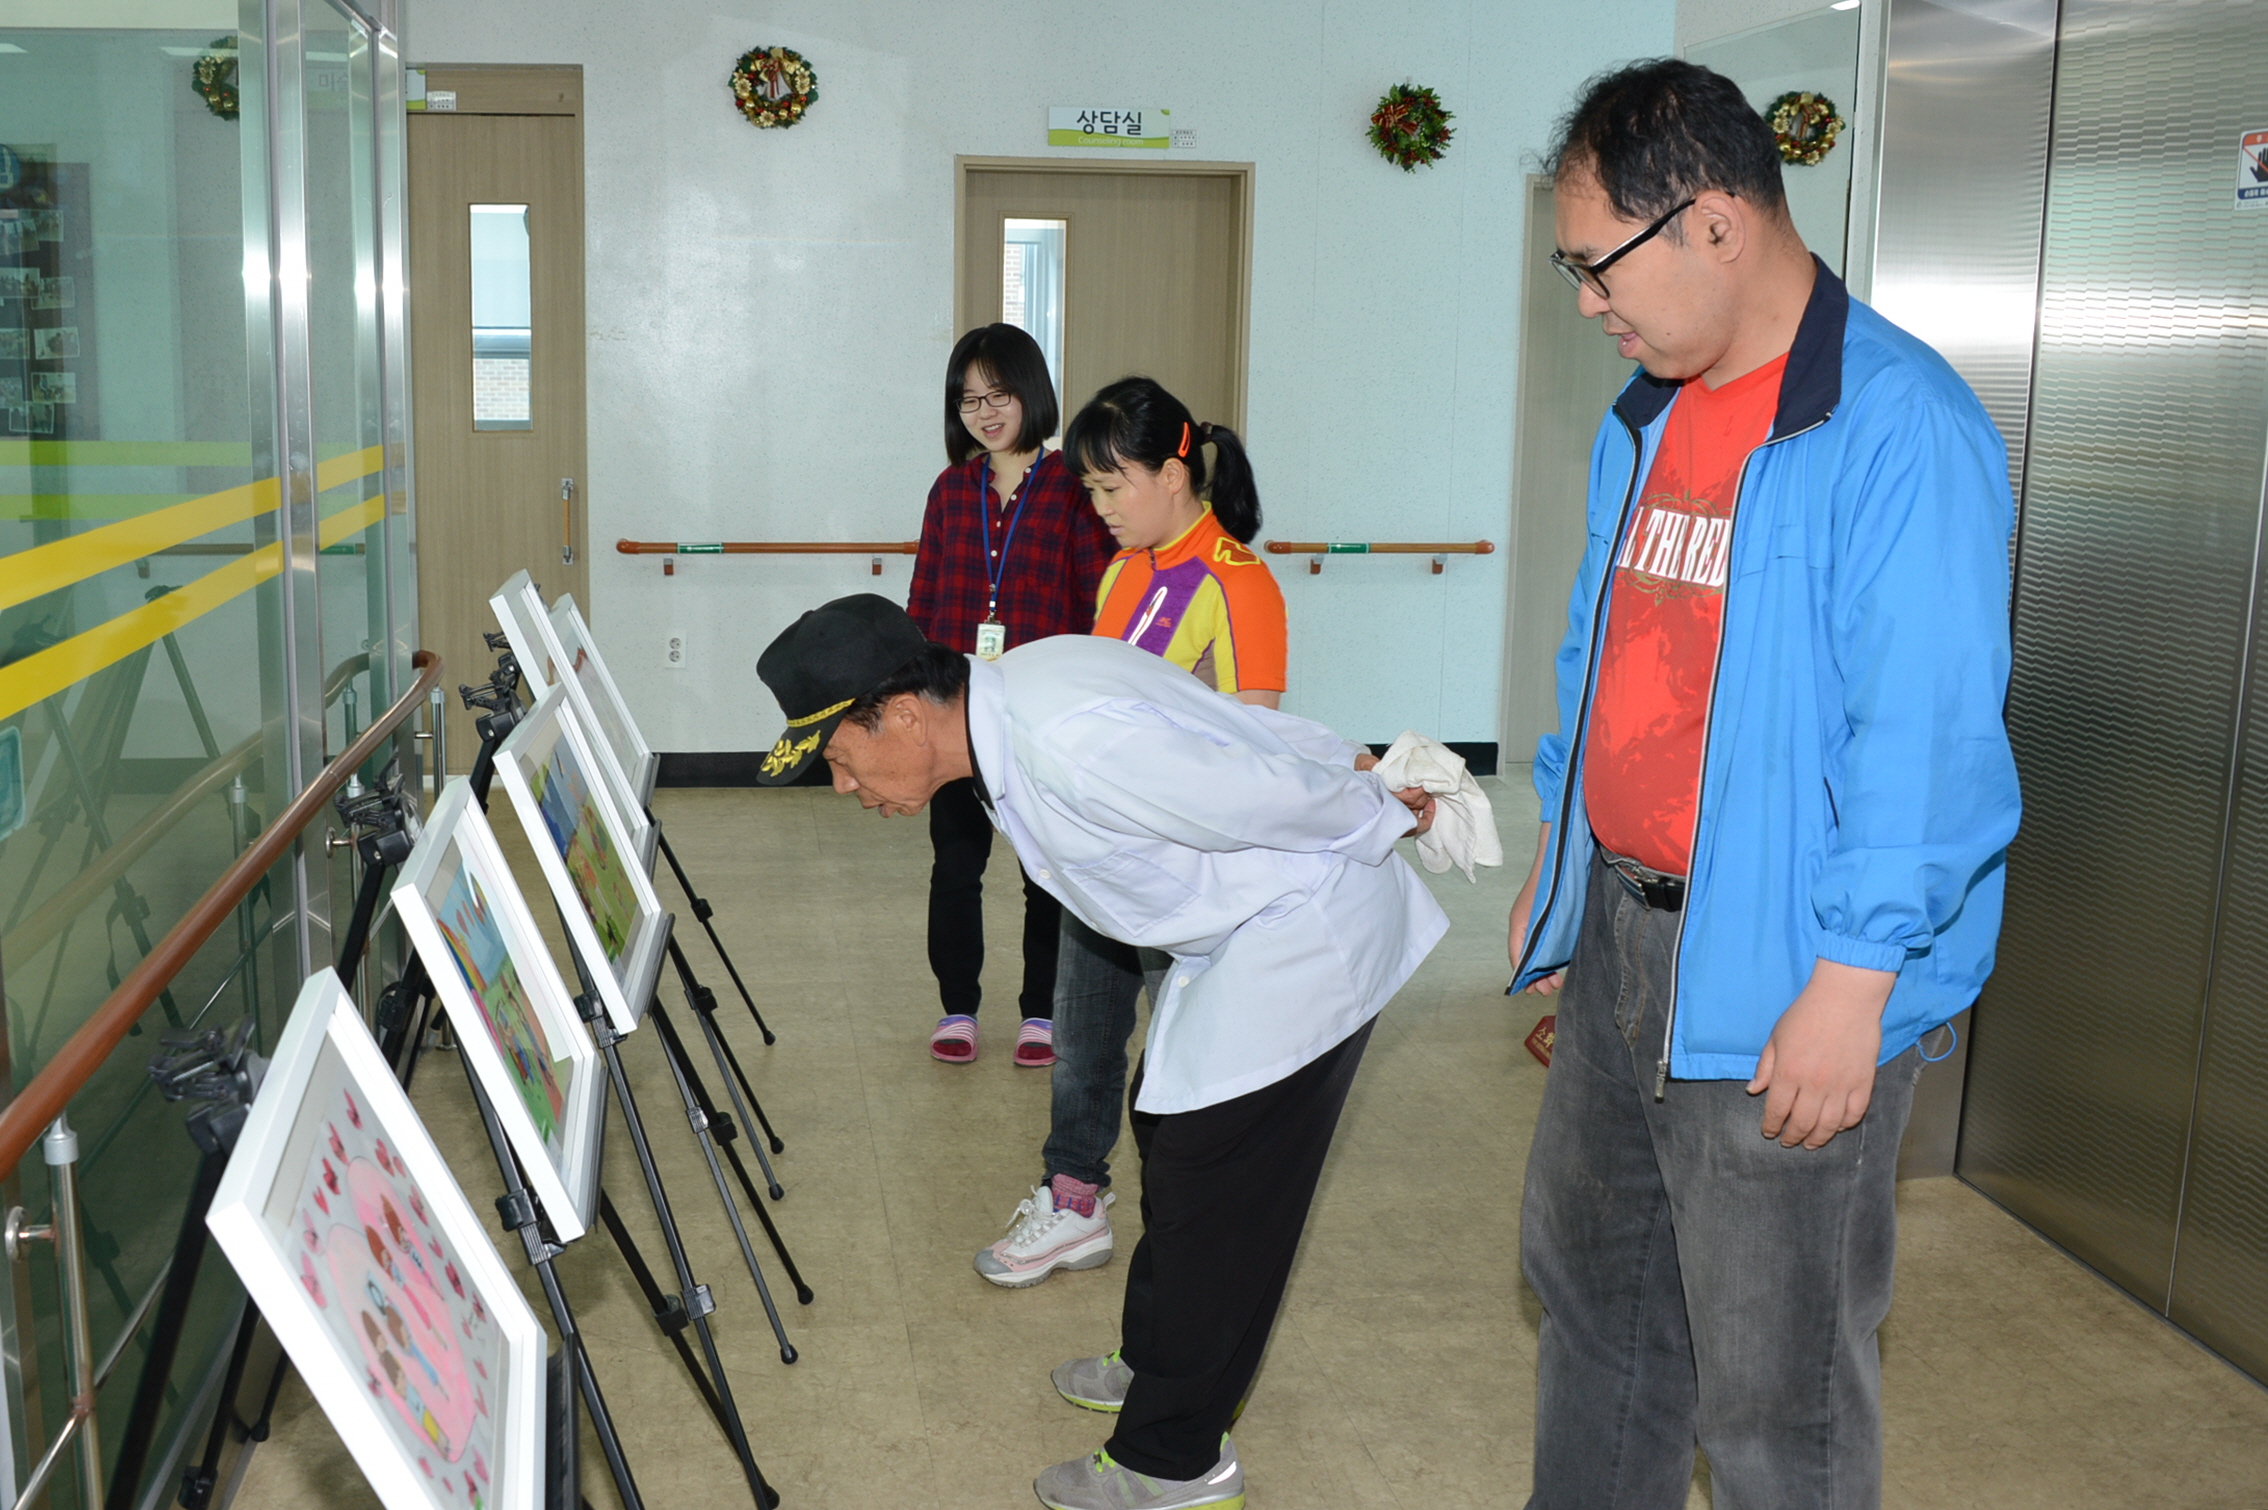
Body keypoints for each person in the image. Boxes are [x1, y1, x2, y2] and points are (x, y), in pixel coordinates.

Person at [1506, 60, 2021, 1510]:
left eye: (1598, 265)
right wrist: (1564, 856)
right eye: (1572, 268)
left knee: (1773, 1384)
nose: (1589, 302)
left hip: (1790, 958)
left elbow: (1926, 731)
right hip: (1624, 928)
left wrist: (1855, 980)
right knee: (1596, 1306)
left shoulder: (1893, 426)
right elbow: (1601, 658)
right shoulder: (1647, 416)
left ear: (1716, 222)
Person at [755, 594, 1447, 1510]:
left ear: (907, 716)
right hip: (1243, 931)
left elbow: (1251, 789)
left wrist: (1374, 807)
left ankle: (1177, 1462)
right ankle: (1162, 1363)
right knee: (1163, 1132)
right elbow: (1221, 723)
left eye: (841, 760)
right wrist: (1342, 754)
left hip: (1304, 931)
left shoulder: (1062, 741)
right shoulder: (1022, 699)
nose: (847, 788)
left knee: (1216, 1184)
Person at [972, 376, 1291, 1289]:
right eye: (1092, 492)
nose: (1101, 509)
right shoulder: (1122, 572)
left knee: (1187, 1053)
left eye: (1115, 489)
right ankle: (1073, 1200)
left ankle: (1193, 1227)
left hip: (1185, 878)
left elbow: (1251, 751)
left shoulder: (1238, 584)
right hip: (1099, 859)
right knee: (1080, 1034)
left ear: (1175, 473)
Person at [905, 324, 1116, 1067]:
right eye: (969, 399)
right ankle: (958, 1006)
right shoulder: (950, 491)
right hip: (959, 713)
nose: (986, 413)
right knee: (955, 866)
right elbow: (925, 598)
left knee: (1044, 872)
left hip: (1039, 715)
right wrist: (918, 698)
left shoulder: (1072, 489)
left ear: (1031, 394)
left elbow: (1098, 604)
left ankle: (1040, 1013)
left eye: (1000, 395)